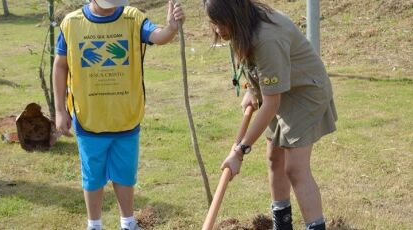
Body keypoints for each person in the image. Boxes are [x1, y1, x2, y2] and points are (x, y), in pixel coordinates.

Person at [52, 0, 185, 229]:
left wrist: (172, 27)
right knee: (92, 177)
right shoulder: (71, 24)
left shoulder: (133, 18)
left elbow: (158, 37)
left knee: (125, 175)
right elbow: (60, 65)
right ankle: (94, 224)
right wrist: (60, 110)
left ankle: (128, 222)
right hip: (89, 118)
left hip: (125, 117)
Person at [205, 1, 337, 230]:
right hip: (280, 90)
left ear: (234, 16)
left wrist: (240, 151)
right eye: (213, 23)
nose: (217, 29)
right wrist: (252, 89)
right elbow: (257, 66)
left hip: (305, 91)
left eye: (220, 22)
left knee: (295, 169)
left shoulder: (267, 37)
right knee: (274, 159)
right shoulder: (245, 24)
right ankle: (282, 226)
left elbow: (271, 104)